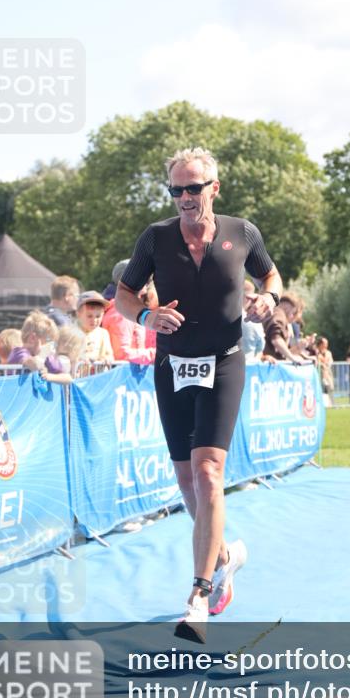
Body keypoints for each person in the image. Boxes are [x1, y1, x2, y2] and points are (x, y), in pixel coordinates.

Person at [115, 146, 282, 642]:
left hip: (225, 361)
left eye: (194, 188)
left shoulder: (242, 232)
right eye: (177, 190)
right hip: (172, 366)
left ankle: (199, 595)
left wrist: (269, 296)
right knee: (188, 484)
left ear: (214, 188)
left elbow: (268, 273)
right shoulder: (156, 238)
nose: (186, 198)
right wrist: (146, 317)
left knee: (209, 471)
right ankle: (225, 555)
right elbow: (123, 295)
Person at [102, 262, 157, 364]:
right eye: (142, 277)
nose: (147, 282)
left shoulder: (129, 309)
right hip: (124, 376)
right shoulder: (121, 314)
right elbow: (122, 354)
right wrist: (158, 354)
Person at [263, 293, 309, 363]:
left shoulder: (277, 314)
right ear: (287, 308)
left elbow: (281, 351)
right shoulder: (279, 313)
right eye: (293, 313)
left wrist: (302, 355)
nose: (292, 317)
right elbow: (276, 339)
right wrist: (292, 358)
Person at [77, 291, 114, 364]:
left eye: (98, 316)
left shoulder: (103, 333)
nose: (94, 320)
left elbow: (109, 355)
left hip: (97, 373)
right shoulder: (72, 333)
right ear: (79, 314)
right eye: (89, 316)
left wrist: (107, 358)